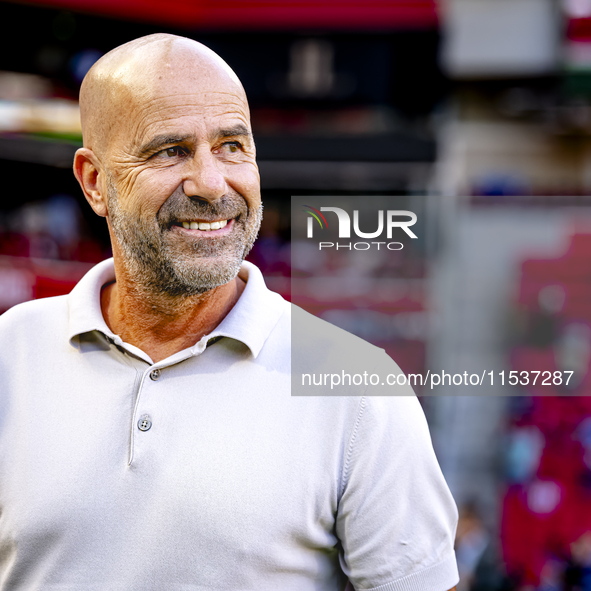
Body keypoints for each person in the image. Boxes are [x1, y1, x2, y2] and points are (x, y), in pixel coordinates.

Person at [0, 34, 459, 591]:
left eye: (232, 146)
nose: (212, 183)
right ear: (96, 182)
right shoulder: (10, 354)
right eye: (169, 150)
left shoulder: (361, 391)